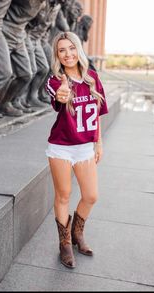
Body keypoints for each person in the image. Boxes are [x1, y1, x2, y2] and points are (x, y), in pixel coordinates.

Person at [45, 32, 108, 268]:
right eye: (62, 50)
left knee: (91, 195)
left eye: (71, 48)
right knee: (63, 195)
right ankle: (65, 244)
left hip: (84, 148)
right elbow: (58, 98)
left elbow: (98, 113)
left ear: (78, 50)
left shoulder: (92, 77)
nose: (68, 54)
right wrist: (63, 93)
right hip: (61, 147)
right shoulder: (54, 81)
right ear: (57, 55)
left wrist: (98, 142)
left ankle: (77, 232)